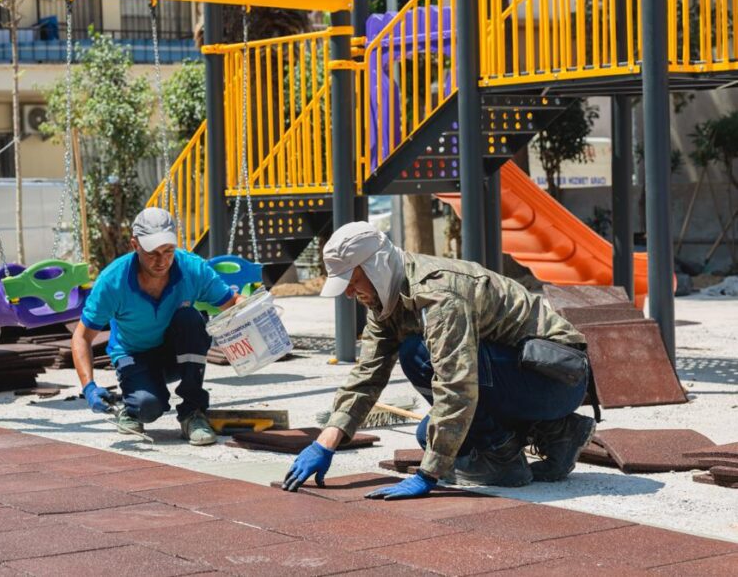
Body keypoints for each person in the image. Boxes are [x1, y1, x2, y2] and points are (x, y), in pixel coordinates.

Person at [283, 221, 596, 499]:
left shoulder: (438, 294)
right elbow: (368, 376)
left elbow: (456, 385)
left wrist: (427, 475)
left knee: (417, 354)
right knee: (427, 434)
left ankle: (503, 458)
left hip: (557, 377)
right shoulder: (385, 302)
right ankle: (560, 433)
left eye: (352, 281)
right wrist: (325, 444)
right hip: (526, 378)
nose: (349, 293)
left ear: (376, 265)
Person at [71, 207, 241, 446]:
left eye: (168, 251)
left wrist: (254, 311)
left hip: (175, 354)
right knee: (147, 407)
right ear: (135, 245)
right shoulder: (113, 282)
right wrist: (88, 387)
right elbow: (81, 337)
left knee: (191, 318)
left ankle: (193, 413)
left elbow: (231, 303)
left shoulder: (192, 268)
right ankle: (131, 408)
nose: (162, 261)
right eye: (153, 253)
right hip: (134, 354)